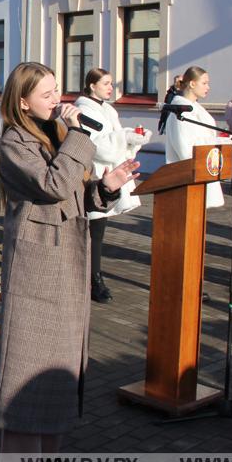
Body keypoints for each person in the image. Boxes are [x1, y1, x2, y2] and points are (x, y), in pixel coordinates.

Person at [0, 62, 137, 462]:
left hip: (67, 259)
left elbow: (78, 195)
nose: (58, 100)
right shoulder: (14, 143)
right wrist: (80, 135)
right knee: (30, 357)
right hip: (37, 265)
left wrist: (108, 186)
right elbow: (53, 185)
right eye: (47, 94)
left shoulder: (55, 135)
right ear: (22, 102)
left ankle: (49, 457)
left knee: (60, 362)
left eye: (57, 90)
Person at [74, 69, 150, 303]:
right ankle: (93, 280)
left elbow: (116, 144)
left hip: (109, 177)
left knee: (98, 230)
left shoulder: (108, 110)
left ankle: (92, 276)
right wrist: (125, 136)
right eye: (106, 83)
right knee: (93, 229)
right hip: (94, 175)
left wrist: (133, 140)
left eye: (111, 83)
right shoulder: (85, 110)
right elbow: (98, 146)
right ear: (91, 86)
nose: (110, 88)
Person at [165, 66, 227, 209]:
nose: (208, 87)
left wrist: (222, 141)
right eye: (204, 83)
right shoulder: (181, 111)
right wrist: (216, 143)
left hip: (203, 173)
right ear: (192, 84)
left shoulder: (197, 108)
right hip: (188, 176)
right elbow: (185, 150)